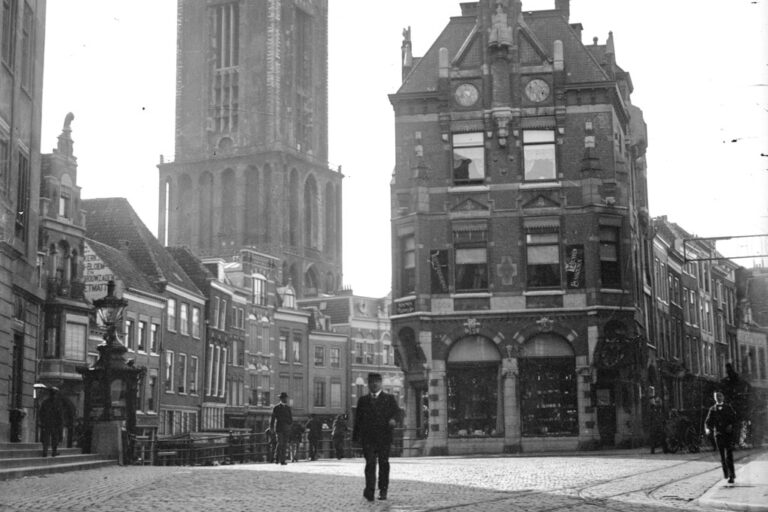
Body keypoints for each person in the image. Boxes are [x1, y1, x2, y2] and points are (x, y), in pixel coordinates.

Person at [353, 373, 400, 502]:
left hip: (384, 438)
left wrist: (394, 420)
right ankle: (369, 490)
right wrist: (356, 439)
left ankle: (383, 490)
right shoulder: (363, 401)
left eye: (377, 382)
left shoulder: (389, 399)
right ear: (368, 384)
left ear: (381, 383)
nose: (374, 384)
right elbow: (358, 420)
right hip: (368, 439)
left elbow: (397, 413)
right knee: (370, 464)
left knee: (384, 464)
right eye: (372, 382)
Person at [705, 391, 738, 484]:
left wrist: (731, 425)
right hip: (718, 434)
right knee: (722, 456)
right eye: (716, 396)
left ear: (723, 397)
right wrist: (707, 429)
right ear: (714, 398)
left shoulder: (728, 407)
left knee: (729, 455)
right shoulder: (712, 409)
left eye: (720, 396)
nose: (718, 398)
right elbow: (707, 421)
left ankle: (732, 476)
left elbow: (735, 418)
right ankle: (726, 474)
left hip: (728, 434)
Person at [38, 387, 63, 457]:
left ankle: (45, 451)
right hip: (54, 424)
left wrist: (42, 421)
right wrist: (60, 424)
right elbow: (60, 415)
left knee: (47, 438)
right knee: (54, 438)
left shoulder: (45, 402)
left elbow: (41, 413)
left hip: (47, 423)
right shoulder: (58, 403)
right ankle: (53, 452)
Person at [270, 392, 293, 465]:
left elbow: (290, 419)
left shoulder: (288, 408)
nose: (285, 399)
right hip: (279, 428)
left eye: (286, 398)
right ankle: (276, 458)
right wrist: (271, 427)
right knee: (280, 443)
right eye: (284, 398)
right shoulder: (276, 407)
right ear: (281, 399)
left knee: (285, 444)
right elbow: (273, 418)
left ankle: (282, 460)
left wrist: (289, 424)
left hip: (286, 429)